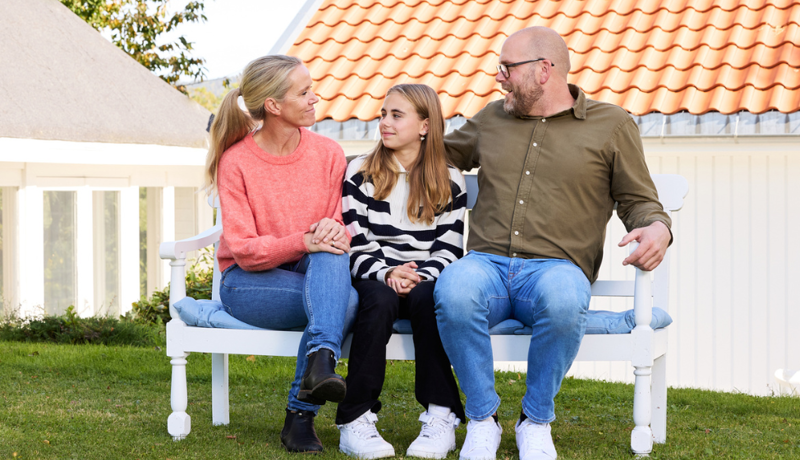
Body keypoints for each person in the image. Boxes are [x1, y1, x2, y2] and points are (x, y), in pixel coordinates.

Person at [433, 27, 673, 460]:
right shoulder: (490, 119)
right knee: (453, 289)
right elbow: (434, 156)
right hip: (485, 263)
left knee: (565, 300)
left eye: (507, 68)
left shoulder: (612, 125)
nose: (499, 77)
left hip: (556, 269)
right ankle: (483, 419)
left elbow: (640, 201)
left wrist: (659, 228)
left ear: (545, 71)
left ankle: (535, 420)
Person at [204, 55, 358, 454]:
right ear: (273, 106)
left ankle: (310, 387)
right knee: (344, 302)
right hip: (247, 282)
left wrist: (330, 230)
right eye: (303, 92)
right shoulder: (236, 161)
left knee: (332, 254)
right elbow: (244, 250)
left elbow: (336, 227)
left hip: (314, 270)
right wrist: (303, 241)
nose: (314, 98)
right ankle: (310, 391)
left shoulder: (328, 153)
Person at [337, 84, 468, 459]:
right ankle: (355, 418)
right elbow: (356, 241)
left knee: (432, 301)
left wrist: (416, 276)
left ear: (425, 125)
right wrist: (387, 273)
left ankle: (440, 416)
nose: (385, 122)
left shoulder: (449, 179)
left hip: (424, 280)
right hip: (375, 277)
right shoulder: (360, 172)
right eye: (382, 114)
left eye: (396, 115)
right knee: (376, 301)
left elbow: (449, 249)